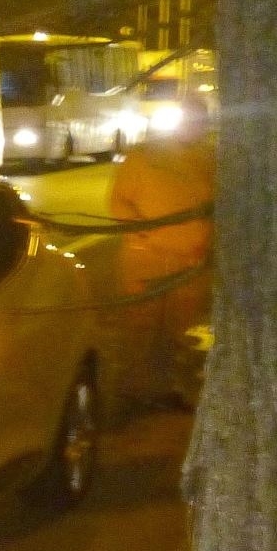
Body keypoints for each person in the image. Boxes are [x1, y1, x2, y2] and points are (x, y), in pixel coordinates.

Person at [109, 94, 217, 405]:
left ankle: (171, 389)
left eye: (200, 122)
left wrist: (207, 244)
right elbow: (120, 201)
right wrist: (141, 234)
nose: (194, 127)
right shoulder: (145, 156)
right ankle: (133, 392)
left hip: (189, 261)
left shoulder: (210, 159)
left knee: (180, 329)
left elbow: (217, 208)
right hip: (147, 258)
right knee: (140, 326)